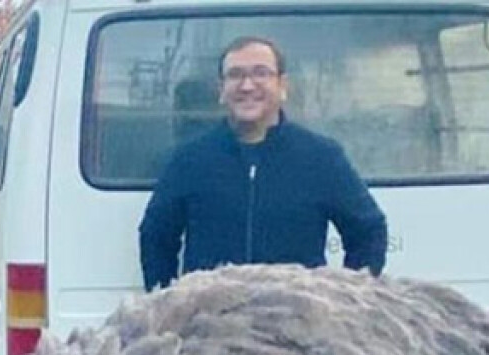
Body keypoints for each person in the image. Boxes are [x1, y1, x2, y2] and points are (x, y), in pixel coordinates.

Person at [139, 35, 388, 291]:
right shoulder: (188, 160)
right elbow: (156, 237)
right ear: (221, 90)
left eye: (261, 73)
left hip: (296, 322)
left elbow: (368, 232)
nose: (247, 86)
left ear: (282, 85)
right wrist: (169, 305)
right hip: (213, 322)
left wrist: (347, 301)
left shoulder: (322, 157)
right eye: (235, 75)